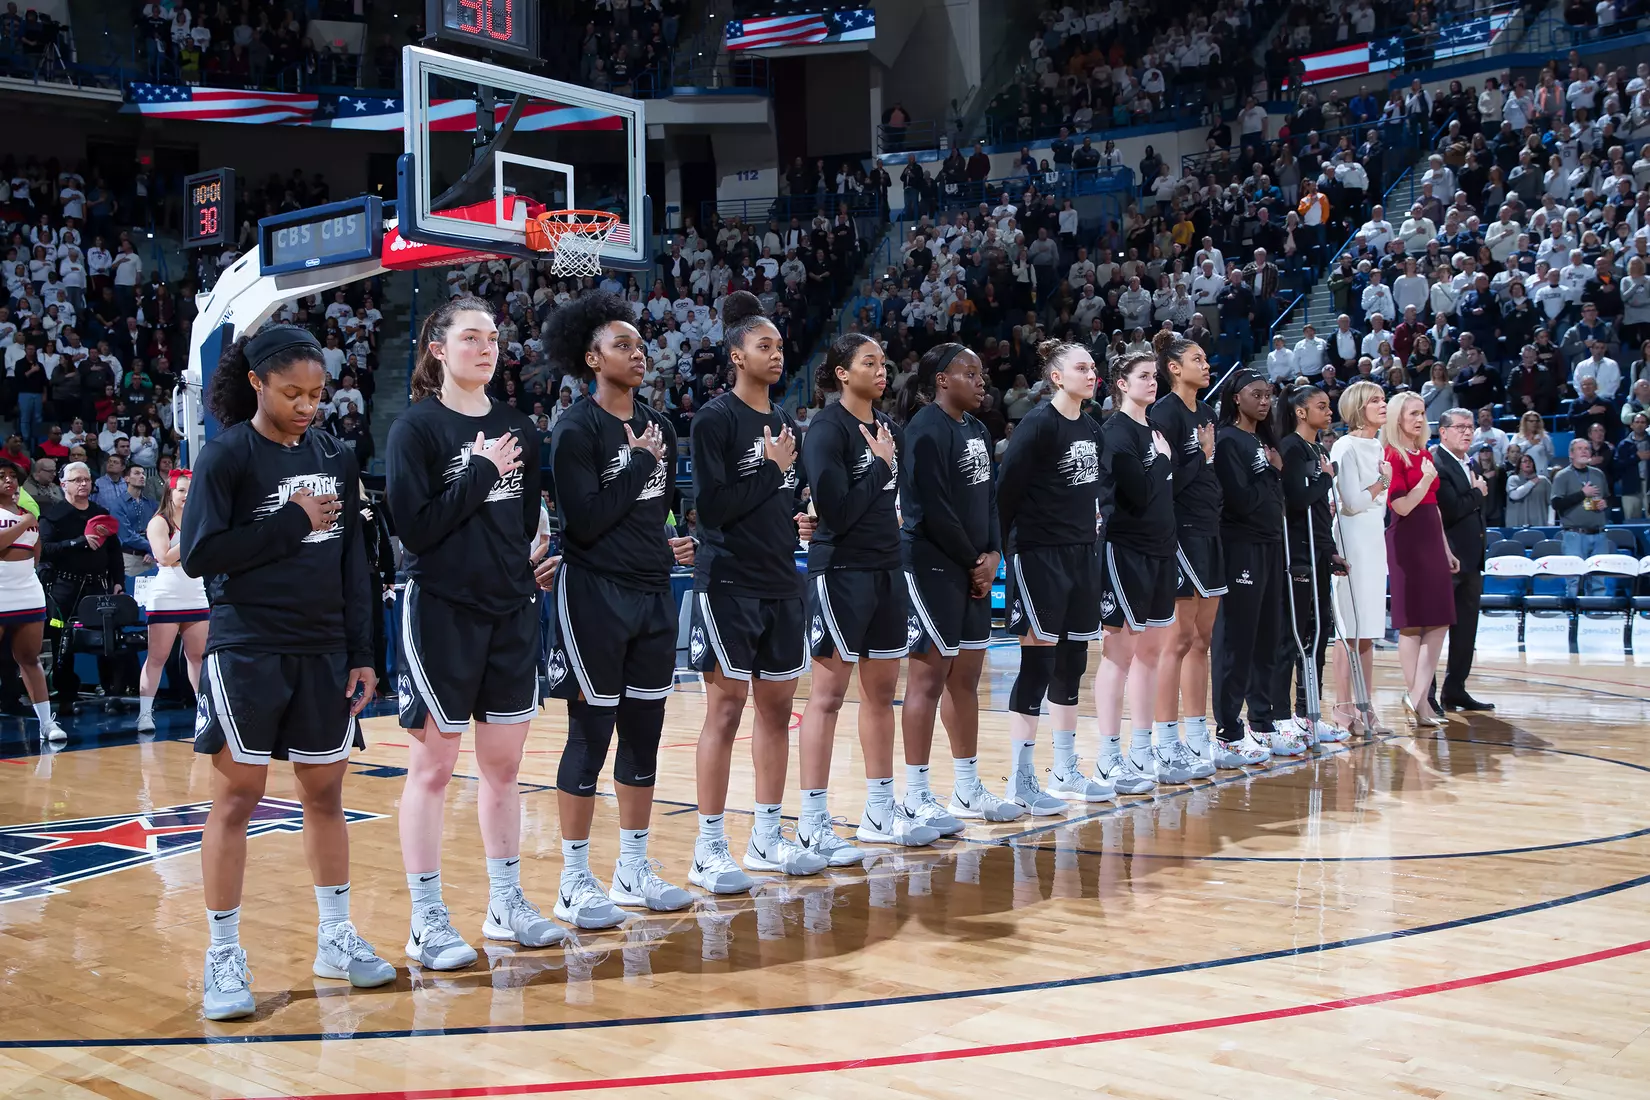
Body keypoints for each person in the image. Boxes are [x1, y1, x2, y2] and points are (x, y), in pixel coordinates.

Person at [181, 325, 391, 1021]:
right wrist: (292, 521)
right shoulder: (226, 455)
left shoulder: (336, 455)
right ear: (257, 383)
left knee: (325, 795)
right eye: (292, 392)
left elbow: (354, 560)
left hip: (324, 648)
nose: (307, 406)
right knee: (237, 798)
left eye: (317, 394)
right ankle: (222, 956)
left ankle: (336, 937)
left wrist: (363, 651)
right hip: (248, 645)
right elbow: (200, 554)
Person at [385, 295, 566, 967]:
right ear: (438, 348)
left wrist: (521, 564)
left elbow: (521, 526)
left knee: (505, 768)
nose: (486, 348)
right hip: (441, 609)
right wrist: (483, 472)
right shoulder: (415, 429)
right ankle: (425, 918)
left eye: (492, 338)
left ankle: (505, 902)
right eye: (470, 337)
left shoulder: (518, 425)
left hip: (510, 608)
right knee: (433, 767)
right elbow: (417, 529)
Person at [541, 292, 696, 921]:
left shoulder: (660, 426)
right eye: (622, 345)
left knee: (644, 732)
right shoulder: (574, 428)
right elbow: (584, 520)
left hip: (653, 591)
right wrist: (637, 463)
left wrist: (670, 541)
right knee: (590, 732)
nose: (638, 353)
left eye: (640, 344)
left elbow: (652, 514)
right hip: (593, 593)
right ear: (591, 358)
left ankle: (633, 869)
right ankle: (573, 880)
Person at [685, 291, 828, 895]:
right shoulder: (714, 419)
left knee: (775, 712)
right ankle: (708, 847)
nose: (777, 354)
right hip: (728, 580)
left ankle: (767, 836)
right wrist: (769, 470)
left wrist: (805, 514)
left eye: (779, 345)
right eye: (763, 346)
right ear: (737, 356)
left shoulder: (787, 423)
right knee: (725, 712)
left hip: (781, 580)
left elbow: (785, 497)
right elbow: (712, 508)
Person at [797, 332, 938, 864]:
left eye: (883, 363)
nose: (882, 370)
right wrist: (879, 465)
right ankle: (813, 823)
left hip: (886, 569)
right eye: (869, 362)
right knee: (828, 697)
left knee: (881, 696)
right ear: (841, 372)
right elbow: (833, 509)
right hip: (840, 571)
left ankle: (880, 810)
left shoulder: (890, 429)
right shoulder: (826, 429)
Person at [896, 342, 1022, 824]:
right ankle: (915, 793)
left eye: (980, 373)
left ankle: (967, 789)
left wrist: (994, 554)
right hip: (932, 566)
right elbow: (933, 508)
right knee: (927, 682)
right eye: (969, 373)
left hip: (974, 567)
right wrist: (975, 560)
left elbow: (989, 500)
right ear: (942, 380)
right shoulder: (924, 429)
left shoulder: (977, 429)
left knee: (966, 681)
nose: (980, 380)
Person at [996, 340, 1106, 813]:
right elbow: (1005, 493)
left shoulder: (1092, 427)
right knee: (1037, 665)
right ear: (1057, 377)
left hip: (1082, 555)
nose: (1091, 373)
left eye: (1093, 366)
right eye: (1081, 367)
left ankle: (1064, 769)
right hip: (1039, 554)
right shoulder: (1038, 423)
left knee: (1072, 663)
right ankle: (1020, 780)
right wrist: (1001, 553)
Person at [1092, 347, 1184, 795]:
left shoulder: (1156, 431)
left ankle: (1142, 748)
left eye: (1154, 376)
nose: (1153, 382)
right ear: (1122, 384)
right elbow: (1138, 492)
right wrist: (1163, 461)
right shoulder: (1114, 432)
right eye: (1144, 376)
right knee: (1119, 654)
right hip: (1125, 551)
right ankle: (1108, 756)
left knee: (1151, 654)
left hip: (1162, 551)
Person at [1211, 370, 1301, 762]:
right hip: (1240, 547)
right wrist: (1270, 470)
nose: (1265, 401)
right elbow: (1240, 500)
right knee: (1238, 640)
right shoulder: (1229, 440)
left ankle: (1261, 724)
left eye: (1268, 395)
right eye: (1256, 394)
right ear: (1236, 397)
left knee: (1268, 636)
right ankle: (1228, 731)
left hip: (1270, 545)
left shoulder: (1263, 441)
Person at [1148, 332, 1223, 778]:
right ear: (1174, 367)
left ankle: (1197, 734)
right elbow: (1168, 479)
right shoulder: (1164, 413)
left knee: (1202, 640)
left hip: (1210, 531)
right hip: (1181, 533)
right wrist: (1205, 455)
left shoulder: (1208, 412)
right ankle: (1164, 740)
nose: (1206, 364)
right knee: (1177, 640)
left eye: (1206, 358)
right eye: (1197, 358)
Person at [1273, 386, 1351, 745]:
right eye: (1321, 406)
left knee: (1318, 635)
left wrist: (1331, 549)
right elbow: (1296, 500)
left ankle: (1309, 713)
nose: (1329, 411)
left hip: (1318, 552)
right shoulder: (1290, 447)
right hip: (1297, 555)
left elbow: (1319, 513)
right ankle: (1279, 717)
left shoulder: (1319, 449)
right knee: (1293, 636)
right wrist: (1326, 478)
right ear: (1301, 412)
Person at [1381, 391, 1458, 729]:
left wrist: (1446, 548)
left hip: (1430, 538)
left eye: (1422, 412)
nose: (1420, 418)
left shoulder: (1424, 452)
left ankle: (1417, 698)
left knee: (1440, 619)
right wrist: (1426, 478)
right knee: (1412, 623)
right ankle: (1419, 701)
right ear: (1397, 417)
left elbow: (1433, 507)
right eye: (1412, 413)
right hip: (1407, 540)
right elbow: (1400, 506)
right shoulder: (1392, 455)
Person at [1329, 381, 1393, 735]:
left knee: (1367, 630)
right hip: (1352, 538)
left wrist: (1381, 484)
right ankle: (1343, 707)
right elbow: (1351, 502)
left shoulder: (1377, 445)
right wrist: (1383, 481)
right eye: (1375, 401)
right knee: (1349, 629)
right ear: (1358, 407)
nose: (1383, 405)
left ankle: (1366, 707)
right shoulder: (1345, 446)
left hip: (1373, 538)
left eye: (1384, 399)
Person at [39, 460, 123, 713]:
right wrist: (78, 542)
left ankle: (112, 693)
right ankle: (67, 696)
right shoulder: (53, 515)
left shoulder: (101, 512)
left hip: (98, 587)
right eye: (77, 480)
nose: (83, 484)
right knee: (62, 640)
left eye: (86, 479)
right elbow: (45, 550)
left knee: (107, 640)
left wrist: (118, 582)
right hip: (64, 588)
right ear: (63, 484)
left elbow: (114, 552)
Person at [1430, 408, 1493, 713]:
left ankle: (1455, 689)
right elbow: (1451, 510)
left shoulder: (1469, 462)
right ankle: (1425, 694)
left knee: (1466, 631)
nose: (1467, 432)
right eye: (1460, 427)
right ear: (1443, 432)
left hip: (1472, 559)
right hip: (1447, 558)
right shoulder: (1437, 462)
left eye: (1470, 427)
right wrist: (1478, 492)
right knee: (1434, 630)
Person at [137, 468, 209, 732]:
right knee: (157, 657)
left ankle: (204, 711)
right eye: (181, 490)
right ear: (170, 492)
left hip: (196, 592)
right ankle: (145, 713)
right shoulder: (159, 522)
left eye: (191, 490)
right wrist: (194, 537)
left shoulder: (198, 519)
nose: (187, 495)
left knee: (197, 657)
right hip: (167, 595)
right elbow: (164, 558)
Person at [0, 461, 65, 742]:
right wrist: (25, 523)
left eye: (12, 476)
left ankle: (46, 723)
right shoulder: (27, 518)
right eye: (1, 476)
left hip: (27, 591)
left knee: (29, 658)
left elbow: (36, 554)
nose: (8, 480)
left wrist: (27, 521)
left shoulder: (27, 514)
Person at [1550, 436, 1611, 594]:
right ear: (1571, 454)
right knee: (1574, 580)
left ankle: (1596, 607)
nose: (1584, 451)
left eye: (1587, 449)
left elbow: (1606, 497)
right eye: (1580, 449)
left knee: (1599, 579)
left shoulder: (1598, 474)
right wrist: (1582, 494)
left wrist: (1604, 503)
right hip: (1575, 535)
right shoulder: (1562, 476)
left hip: (1599, 534)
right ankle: (1573, 607)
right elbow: (1557, 504)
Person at [1505, 452, 1552, 526]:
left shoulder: (1543, 481)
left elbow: (1551, 502)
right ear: (1519, 465)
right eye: (1525, 461)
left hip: (1539, 523)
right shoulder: (1513, 479)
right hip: (1517, 524)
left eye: (1530, 461)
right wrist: (1532, 482)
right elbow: (1515, 495)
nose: (1528, 463)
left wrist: (1551, 521)